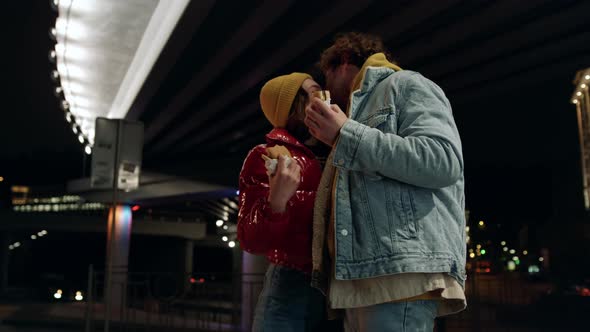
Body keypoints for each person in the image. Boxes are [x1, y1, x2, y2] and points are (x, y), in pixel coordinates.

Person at [304, 32, 467, 331]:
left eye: (325, 78)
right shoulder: (357, 112)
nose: (327, 90)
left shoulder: (406, 84)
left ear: (341, 62)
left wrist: (345, 135)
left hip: (398, 277)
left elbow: (443, 160)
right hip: (366, 280)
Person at [237, 72, 331, 331]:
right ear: (294, 107)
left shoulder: (343, 150)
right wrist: (276, 202)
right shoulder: (267, 157)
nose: (325, 96)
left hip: (340, 290)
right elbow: (251, 240)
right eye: (315, 91)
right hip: (291, 284)